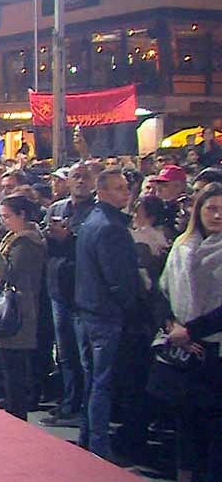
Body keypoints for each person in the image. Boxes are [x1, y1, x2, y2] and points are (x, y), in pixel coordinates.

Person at [73, 167, 139, 460]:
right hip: (103, 313)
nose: (126, 193)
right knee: (101, 381)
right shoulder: (111, 227)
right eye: (119, 188)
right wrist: (130, 304)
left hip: (88, 310)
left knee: (92, 379)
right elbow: (118, 278)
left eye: (126, 187)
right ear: (102, 193)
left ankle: (88, 436)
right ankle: (99, 446)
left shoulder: (92, 220)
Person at [160, 182, 222, 482]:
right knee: (185, 421)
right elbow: (163, 291)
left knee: (216, 427)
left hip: (215, 349)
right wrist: (172, 327)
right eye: (211, 208)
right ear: (199, 211)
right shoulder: (182, 247)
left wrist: (192, 331)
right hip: (183, 350)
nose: (217, 215)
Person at [0, 194, 47, 420]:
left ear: (22, 215)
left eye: (7, 216)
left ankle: (17, 412)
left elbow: (12, 273)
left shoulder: (27, 242)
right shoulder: (13, 237)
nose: (3, 221)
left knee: (14, 366)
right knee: (7, 362)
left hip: (18, 308)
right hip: (10, 305)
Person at [38, 163, 95, 428]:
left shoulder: (96, 212)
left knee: (85, 355)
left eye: (85, 177)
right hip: (57, 289)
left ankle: (86, 406)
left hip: (84, 293)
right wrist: (50, 235)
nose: (81, 182)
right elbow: (41, 242)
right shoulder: (56, 209)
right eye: (76, 177)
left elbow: (91, 249)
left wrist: (69, 237)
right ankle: (69, 401)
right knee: (64, 352)